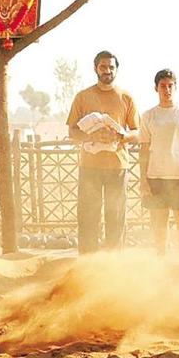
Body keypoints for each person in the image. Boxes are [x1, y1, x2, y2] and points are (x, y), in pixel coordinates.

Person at [66, 51, 139, 254]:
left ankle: (113, 263)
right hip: (89, 166)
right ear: (95, 68)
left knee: (116, 216)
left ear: (116, 69)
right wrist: (91, 136)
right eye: (103, 67)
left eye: (111, 67)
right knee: (88, 216)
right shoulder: (82, 97)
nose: (107, 71)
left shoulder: (126, 97)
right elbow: (72, 131)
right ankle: (87, 262)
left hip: (118, 166)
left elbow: (137, 132)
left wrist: (121, 136)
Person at [139, 69, 179, 254]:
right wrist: (143, 179)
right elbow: (144, 148)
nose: (167, 90)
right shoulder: (148, 116)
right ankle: (161, 260)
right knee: (159, 222)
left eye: (170, 86)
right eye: (163, 86)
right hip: (156, 175)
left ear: (175, 87)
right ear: (156, 88)